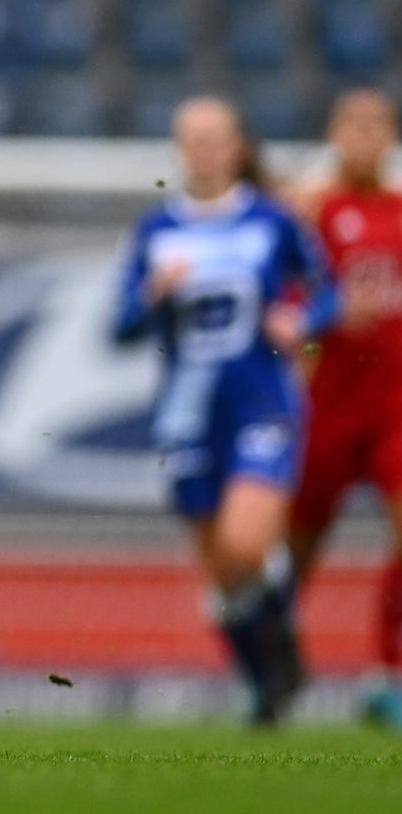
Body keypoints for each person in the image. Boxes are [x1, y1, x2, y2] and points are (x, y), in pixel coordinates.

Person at [112, 97, 336, 725]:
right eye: (193, 139)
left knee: (246, 542)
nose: (205, 150)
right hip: (188, 411)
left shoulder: (272, 219)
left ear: (237, 145)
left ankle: (280, 648)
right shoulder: (157, 230)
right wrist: (152, 294)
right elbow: (120, 324)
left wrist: (302, 321)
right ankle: (268, 685)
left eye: (216, 138)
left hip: (260, 399)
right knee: (222, 573)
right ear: (179, 149)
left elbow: (327, 290)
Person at [288, 88, 402, 730]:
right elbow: (288, 312)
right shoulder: (312, 212)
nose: (364, 135)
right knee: (295, 549)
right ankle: (273, 669)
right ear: (334, 133)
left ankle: (388, 673)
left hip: (394, 406)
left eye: (376, 124)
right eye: (352, 124)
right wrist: (317, 332)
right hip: (327, 406)